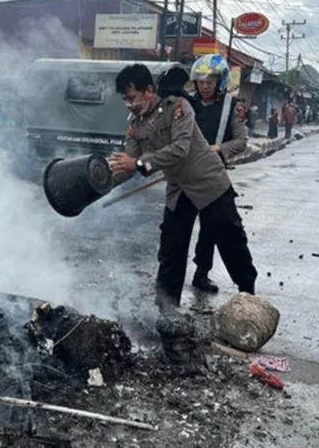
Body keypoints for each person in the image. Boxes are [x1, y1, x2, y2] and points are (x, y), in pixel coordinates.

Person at [108, 63, 258, 309]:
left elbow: (179, 149)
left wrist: (136, 164)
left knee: (231, 243)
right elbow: (128, 165)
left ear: (148, 91)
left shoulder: (178, 107)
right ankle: (167, 309)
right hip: (179, 189)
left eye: (132, 97)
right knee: (171, 249)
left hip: (209, 182)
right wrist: (101, 180)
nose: (128, 104)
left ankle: (249, 296)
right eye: (124, 99)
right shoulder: (135, 125)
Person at [186, 54, 248, 294]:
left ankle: (202, 273)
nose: (205, 85)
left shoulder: (233, 107)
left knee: (211, 227)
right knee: (176, 228)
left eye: (210, 80)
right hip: (185, 175)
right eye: (201, 81)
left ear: (220, 81)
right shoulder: (186, 104)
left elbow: (242, 141)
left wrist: (219, 148)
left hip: (213, 176)